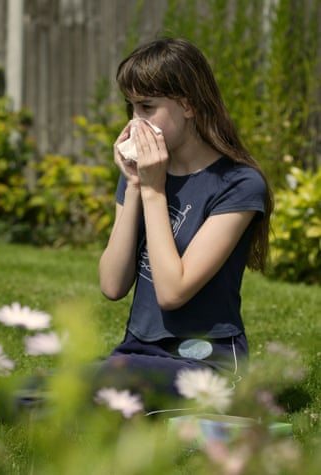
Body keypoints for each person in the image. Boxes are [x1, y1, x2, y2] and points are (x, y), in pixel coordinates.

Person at [95, 37, 273, 410]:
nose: (135, 123)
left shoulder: (239, 185)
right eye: (131, 108)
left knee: (82, 392)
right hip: (137, 350)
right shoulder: (144, 176)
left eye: (147, 107)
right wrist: (133, 185)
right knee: (53, 394)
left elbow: (173, 292)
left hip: (204, 361)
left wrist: (154, 192)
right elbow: (112, 285)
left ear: (188, 105)